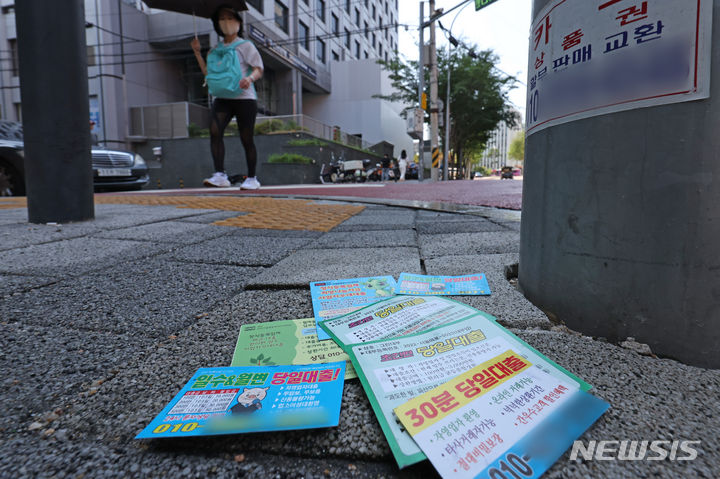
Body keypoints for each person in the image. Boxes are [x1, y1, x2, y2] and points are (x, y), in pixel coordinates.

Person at [191, 5, 263, 190]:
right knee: (215, 131)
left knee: (246, 137)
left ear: (238, 22)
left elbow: (258, 68)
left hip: (244, 97)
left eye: (230, 18)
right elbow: (208, 73)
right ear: (217, 24)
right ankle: (220, 175)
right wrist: (197, 53)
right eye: (221, 19)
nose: (226, 22)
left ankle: (252, 178)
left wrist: (249, 78)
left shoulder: (245, 46)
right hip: (223, 97)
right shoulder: (214, 51)